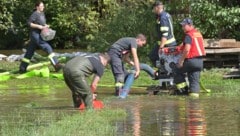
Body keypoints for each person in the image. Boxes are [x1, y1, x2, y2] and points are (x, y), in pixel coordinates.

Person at [19, 1, 61, 73]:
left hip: (39, 34)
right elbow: (29, 23)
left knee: (29, 52)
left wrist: (46, 26)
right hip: (35, 35)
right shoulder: (34, 14)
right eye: (41, 6)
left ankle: (22, 68)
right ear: (37, 7)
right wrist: (38, 26)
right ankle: (56, 65)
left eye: (43, 6)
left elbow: (42, 23)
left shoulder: (42, 14)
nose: (43, 7)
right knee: (47, 47)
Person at [173, 18, 206, 97]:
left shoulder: (188, 35)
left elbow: (187, 49)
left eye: (184, 26)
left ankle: (183, 91)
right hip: (200, 62)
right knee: (194, 79)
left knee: (176, 70)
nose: (182, 28)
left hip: (191, 61)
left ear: (190, 25)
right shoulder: (198, 34)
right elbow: (187, 44)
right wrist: (179, 48)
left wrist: (181, 61)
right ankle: (194, 100)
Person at [149, 1, 177, 67]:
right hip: (169, 43)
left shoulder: (163, 17)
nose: (153, 10)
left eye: (154, 8)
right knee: (164, 61)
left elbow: (165, 34)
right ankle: (163, 71)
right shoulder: (166, 15)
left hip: (167, 44)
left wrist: (161, 47)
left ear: (157, 8)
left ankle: (164, 72)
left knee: (153, 56)